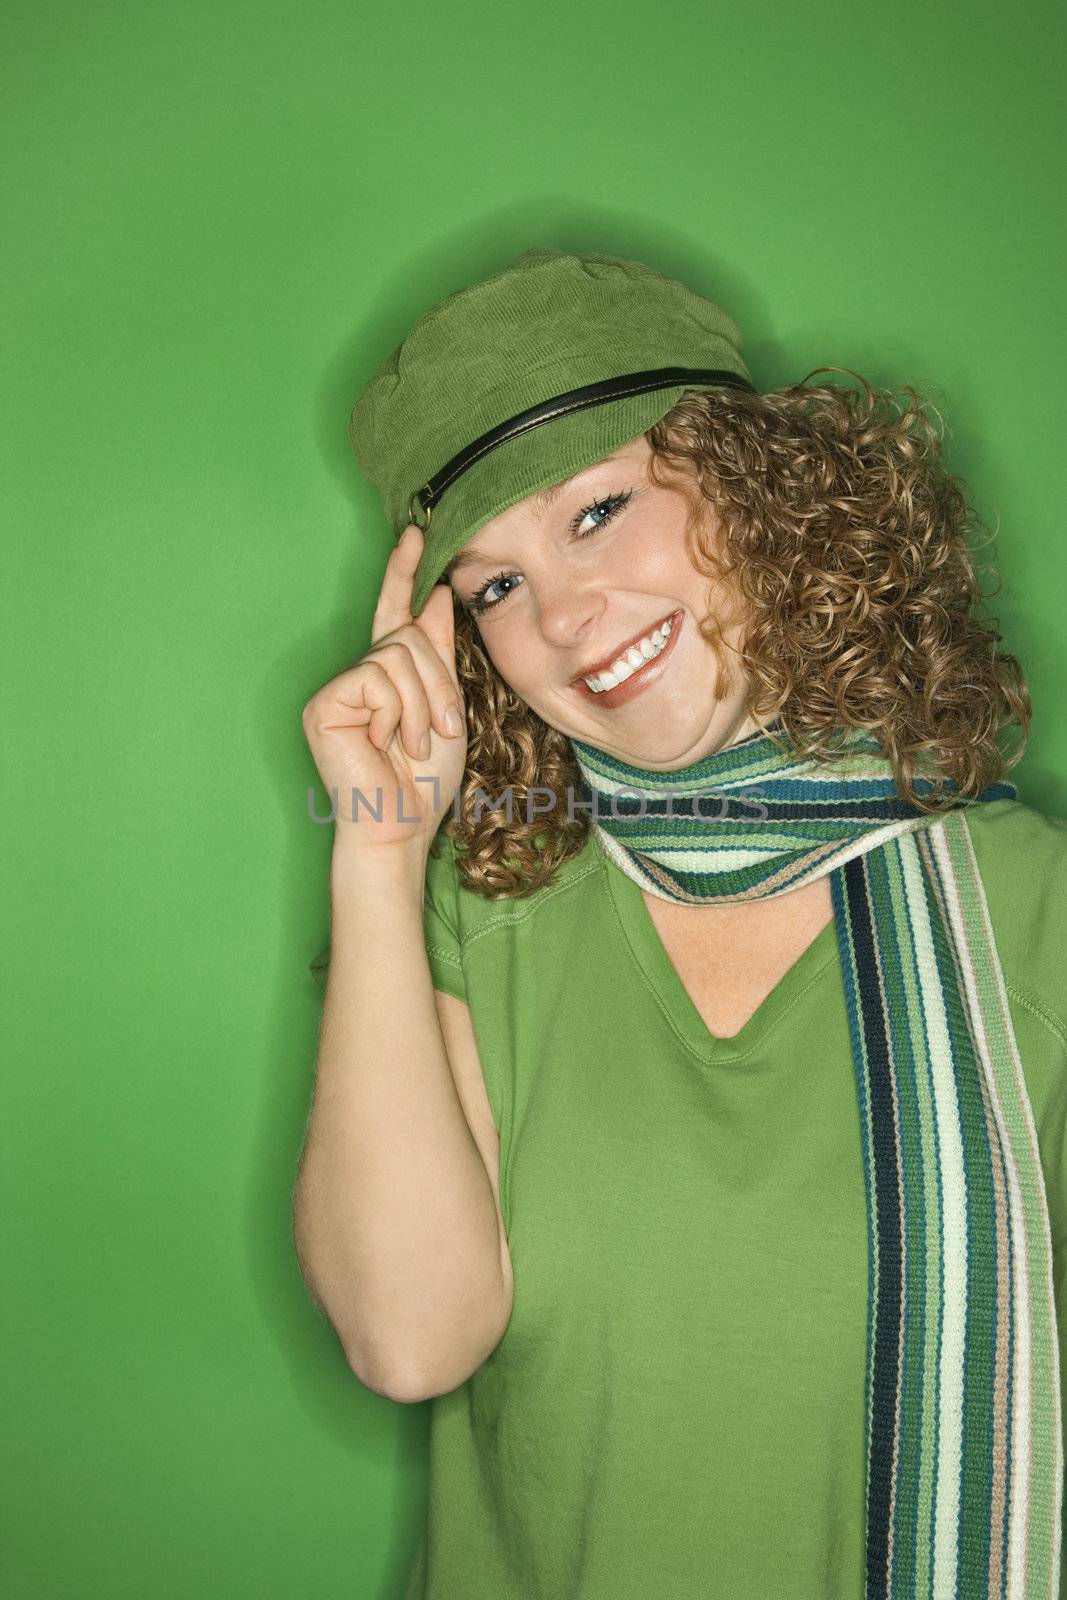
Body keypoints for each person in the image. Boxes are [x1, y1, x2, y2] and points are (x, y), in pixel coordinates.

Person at [292, 248, 1066, 1600]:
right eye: (493, 587)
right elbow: (410, 1343)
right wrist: (377, 854)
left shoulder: (1036, 911)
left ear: (763, 488)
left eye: (596, 512)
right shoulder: (489, 917)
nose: (568, 619)